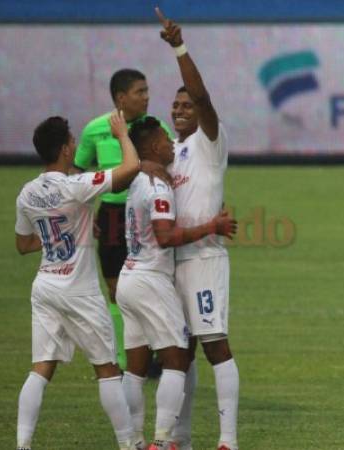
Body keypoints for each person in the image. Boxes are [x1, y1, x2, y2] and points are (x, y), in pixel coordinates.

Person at [14, 111, 141, 450]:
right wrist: (121, 135)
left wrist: (64, 233)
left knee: (41, 368)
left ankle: (23, 444)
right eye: (71, 141)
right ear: (65, 150)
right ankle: (129, 444)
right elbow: (130, 169)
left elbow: (24, 244)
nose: (74, 144)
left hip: (45, 286)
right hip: (78, 291)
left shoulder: (26, 193)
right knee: (108, 369)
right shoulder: (75, 186)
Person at [116, 117, 237, 450]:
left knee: (136, 367)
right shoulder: (158, 187)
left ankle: (133, 441)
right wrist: (211, 225)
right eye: (166, 140)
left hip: (128, 277)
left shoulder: (138, 180)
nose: (172, 144)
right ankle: (162, 440)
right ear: (155, 146)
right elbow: (166, 236)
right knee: (176, 360)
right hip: (152, 280)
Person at [155, 8, 240, 450]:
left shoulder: (211, 142)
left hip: (205, 260)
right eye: (176, 105)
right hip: (174, 262)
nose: (180, 109)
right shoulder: (174, 152)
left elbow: (204, 99)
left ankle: (227, 441)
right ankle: (179, 440)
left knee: (215, 347)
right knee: (179, 354)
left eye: (186, 105)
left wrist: (179, 49)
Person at [74, 69, 172, 372]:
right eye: (140, 91)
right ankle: (121, 361)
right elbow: (78, 174)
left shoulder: (155, 128)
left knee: (154, 285)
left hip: (148, 213)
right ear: (121, 98)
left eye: (146, 90)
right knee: (116, 291)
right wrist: (85, 214)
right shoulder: (95, 130)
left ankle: (157, 352)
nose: (147, 97)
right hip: (113, 216)